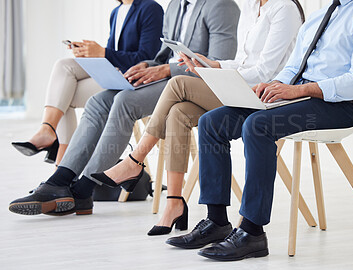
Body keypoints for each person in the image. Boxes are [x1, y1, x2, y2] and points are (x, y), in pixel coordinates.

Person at [165, 0, 353, 261]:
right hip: (297, 97)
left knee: (259, 125)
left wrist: (301, 90)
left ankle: (252, 232)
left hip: (337, 105)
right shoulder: (320, 16)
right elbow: (292, 68)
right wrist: (271, 88)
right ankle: (216, 222)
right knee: (212, 122)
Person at [91, 0, 305, 236]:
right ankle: (175, 202)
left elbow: (265, 72)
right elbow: (245, 62)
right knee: (178, 112)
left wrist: (219, 74)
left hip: (264, 95)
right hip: (240, 87)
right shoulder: (252, 6)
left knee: (177, 83)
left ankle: (135, 160)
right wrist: (213, 65)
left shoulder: (284, 8)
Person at [8, 0, 240, 216]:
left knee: (124, 102)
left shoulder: (221, 5)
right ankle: (61, 179)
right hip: (165, 78)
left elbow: (218, 62)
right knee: (98, 101)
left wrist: (166, 70)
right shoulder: (176, 5)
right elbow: (162, 57)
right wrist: (145, 67)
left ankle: (85, 188)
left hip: (194, 84)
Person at [12, 0, 164, 165]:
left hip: (134, 80)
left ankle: (61, 167)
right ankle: (48, 131)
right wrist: (90, 53)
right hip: (115, 73)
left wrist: (102, 52)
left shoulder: (150, 8)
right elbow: (112, 55)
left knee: (65, 94)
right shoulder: (116, 12)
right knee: (63, 67)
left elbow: (149, 58)